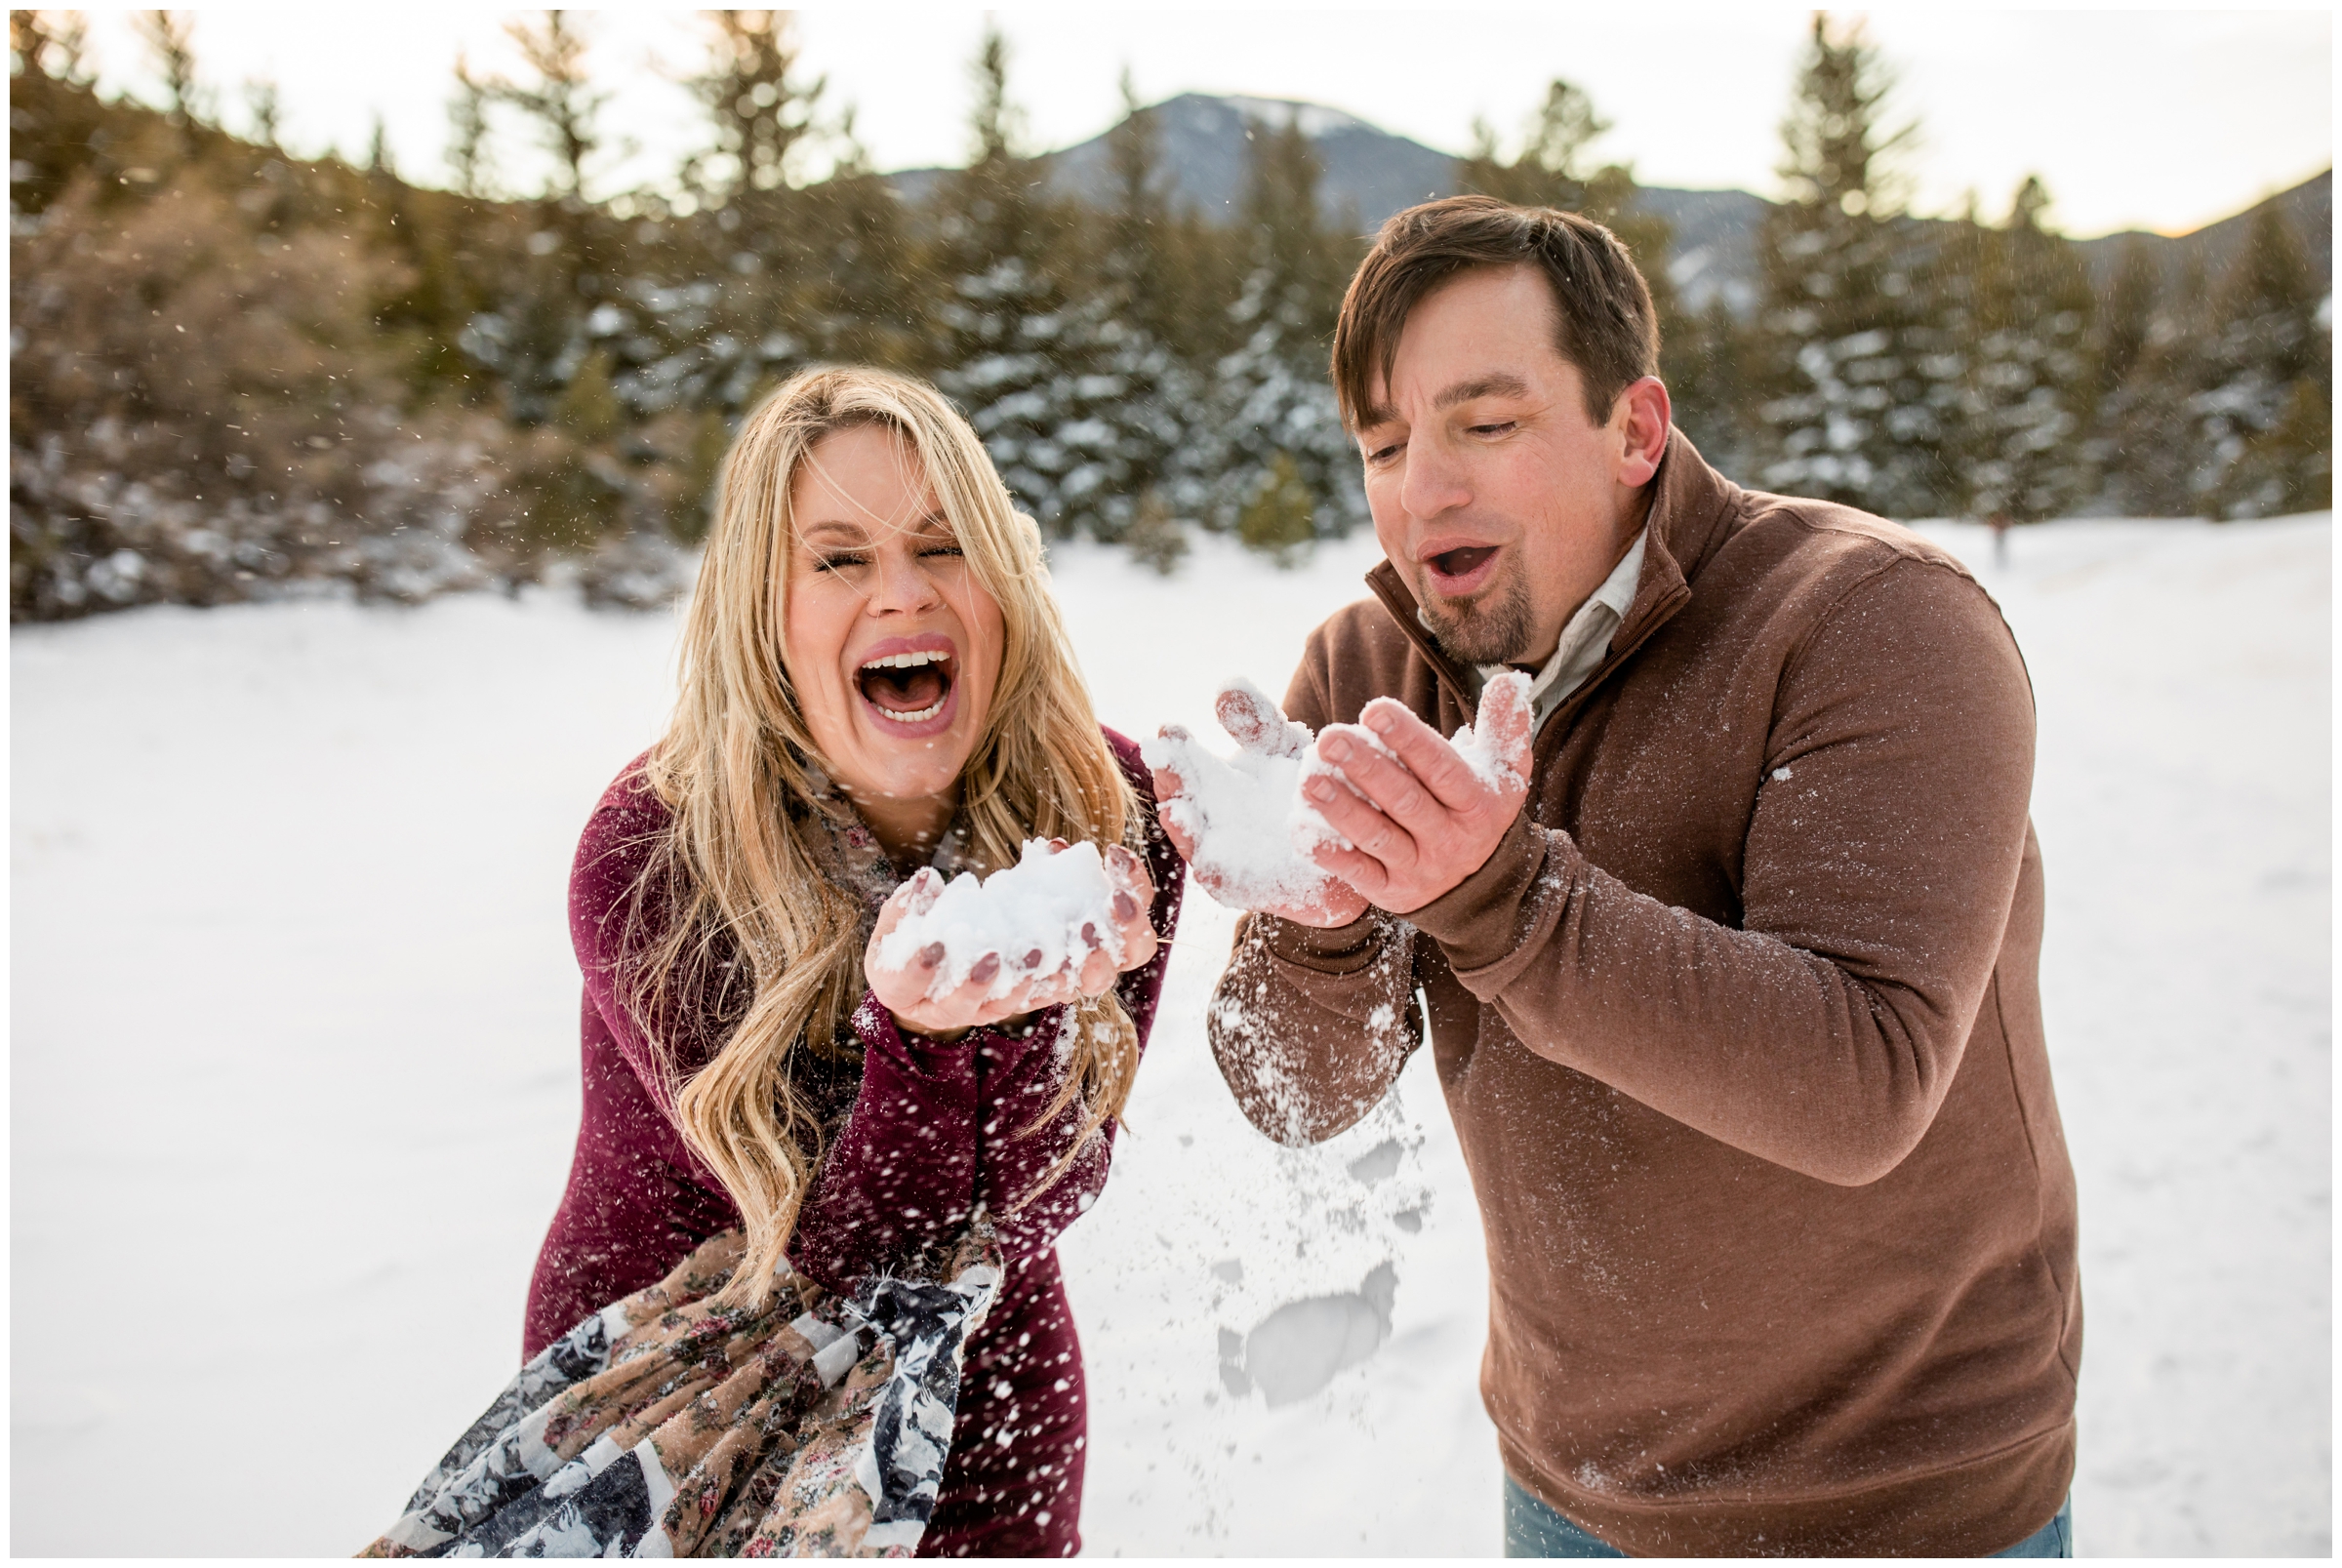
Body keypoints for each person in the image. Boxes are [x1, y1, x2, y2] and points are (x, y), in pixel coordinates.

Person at [1154, 196, 2080, 1557]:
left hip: (1901, 1503)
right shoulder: (1369, 675)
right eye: (1385, 443)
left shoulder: (1874, 621)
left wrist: (1502, 898)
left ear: (1635, 428)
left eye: (1485, 423)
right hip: (1570, 1495)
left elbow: (1865, 1080)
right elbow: (1299, 1095)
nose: (1424, 490)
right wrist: (1321, 933)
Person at [524, 365, 1184, 1557]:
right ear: (763, 613)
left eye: (944, 544)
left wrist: (1034, 1011)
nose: (903, 592)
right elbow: (833, 1259)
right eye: (838, 558)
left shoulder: (1102, 801)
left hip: (986, 1424)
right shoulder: (660, 854)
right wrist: (929, 1043)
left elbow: (1043, 1199)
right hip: (683, 1414)